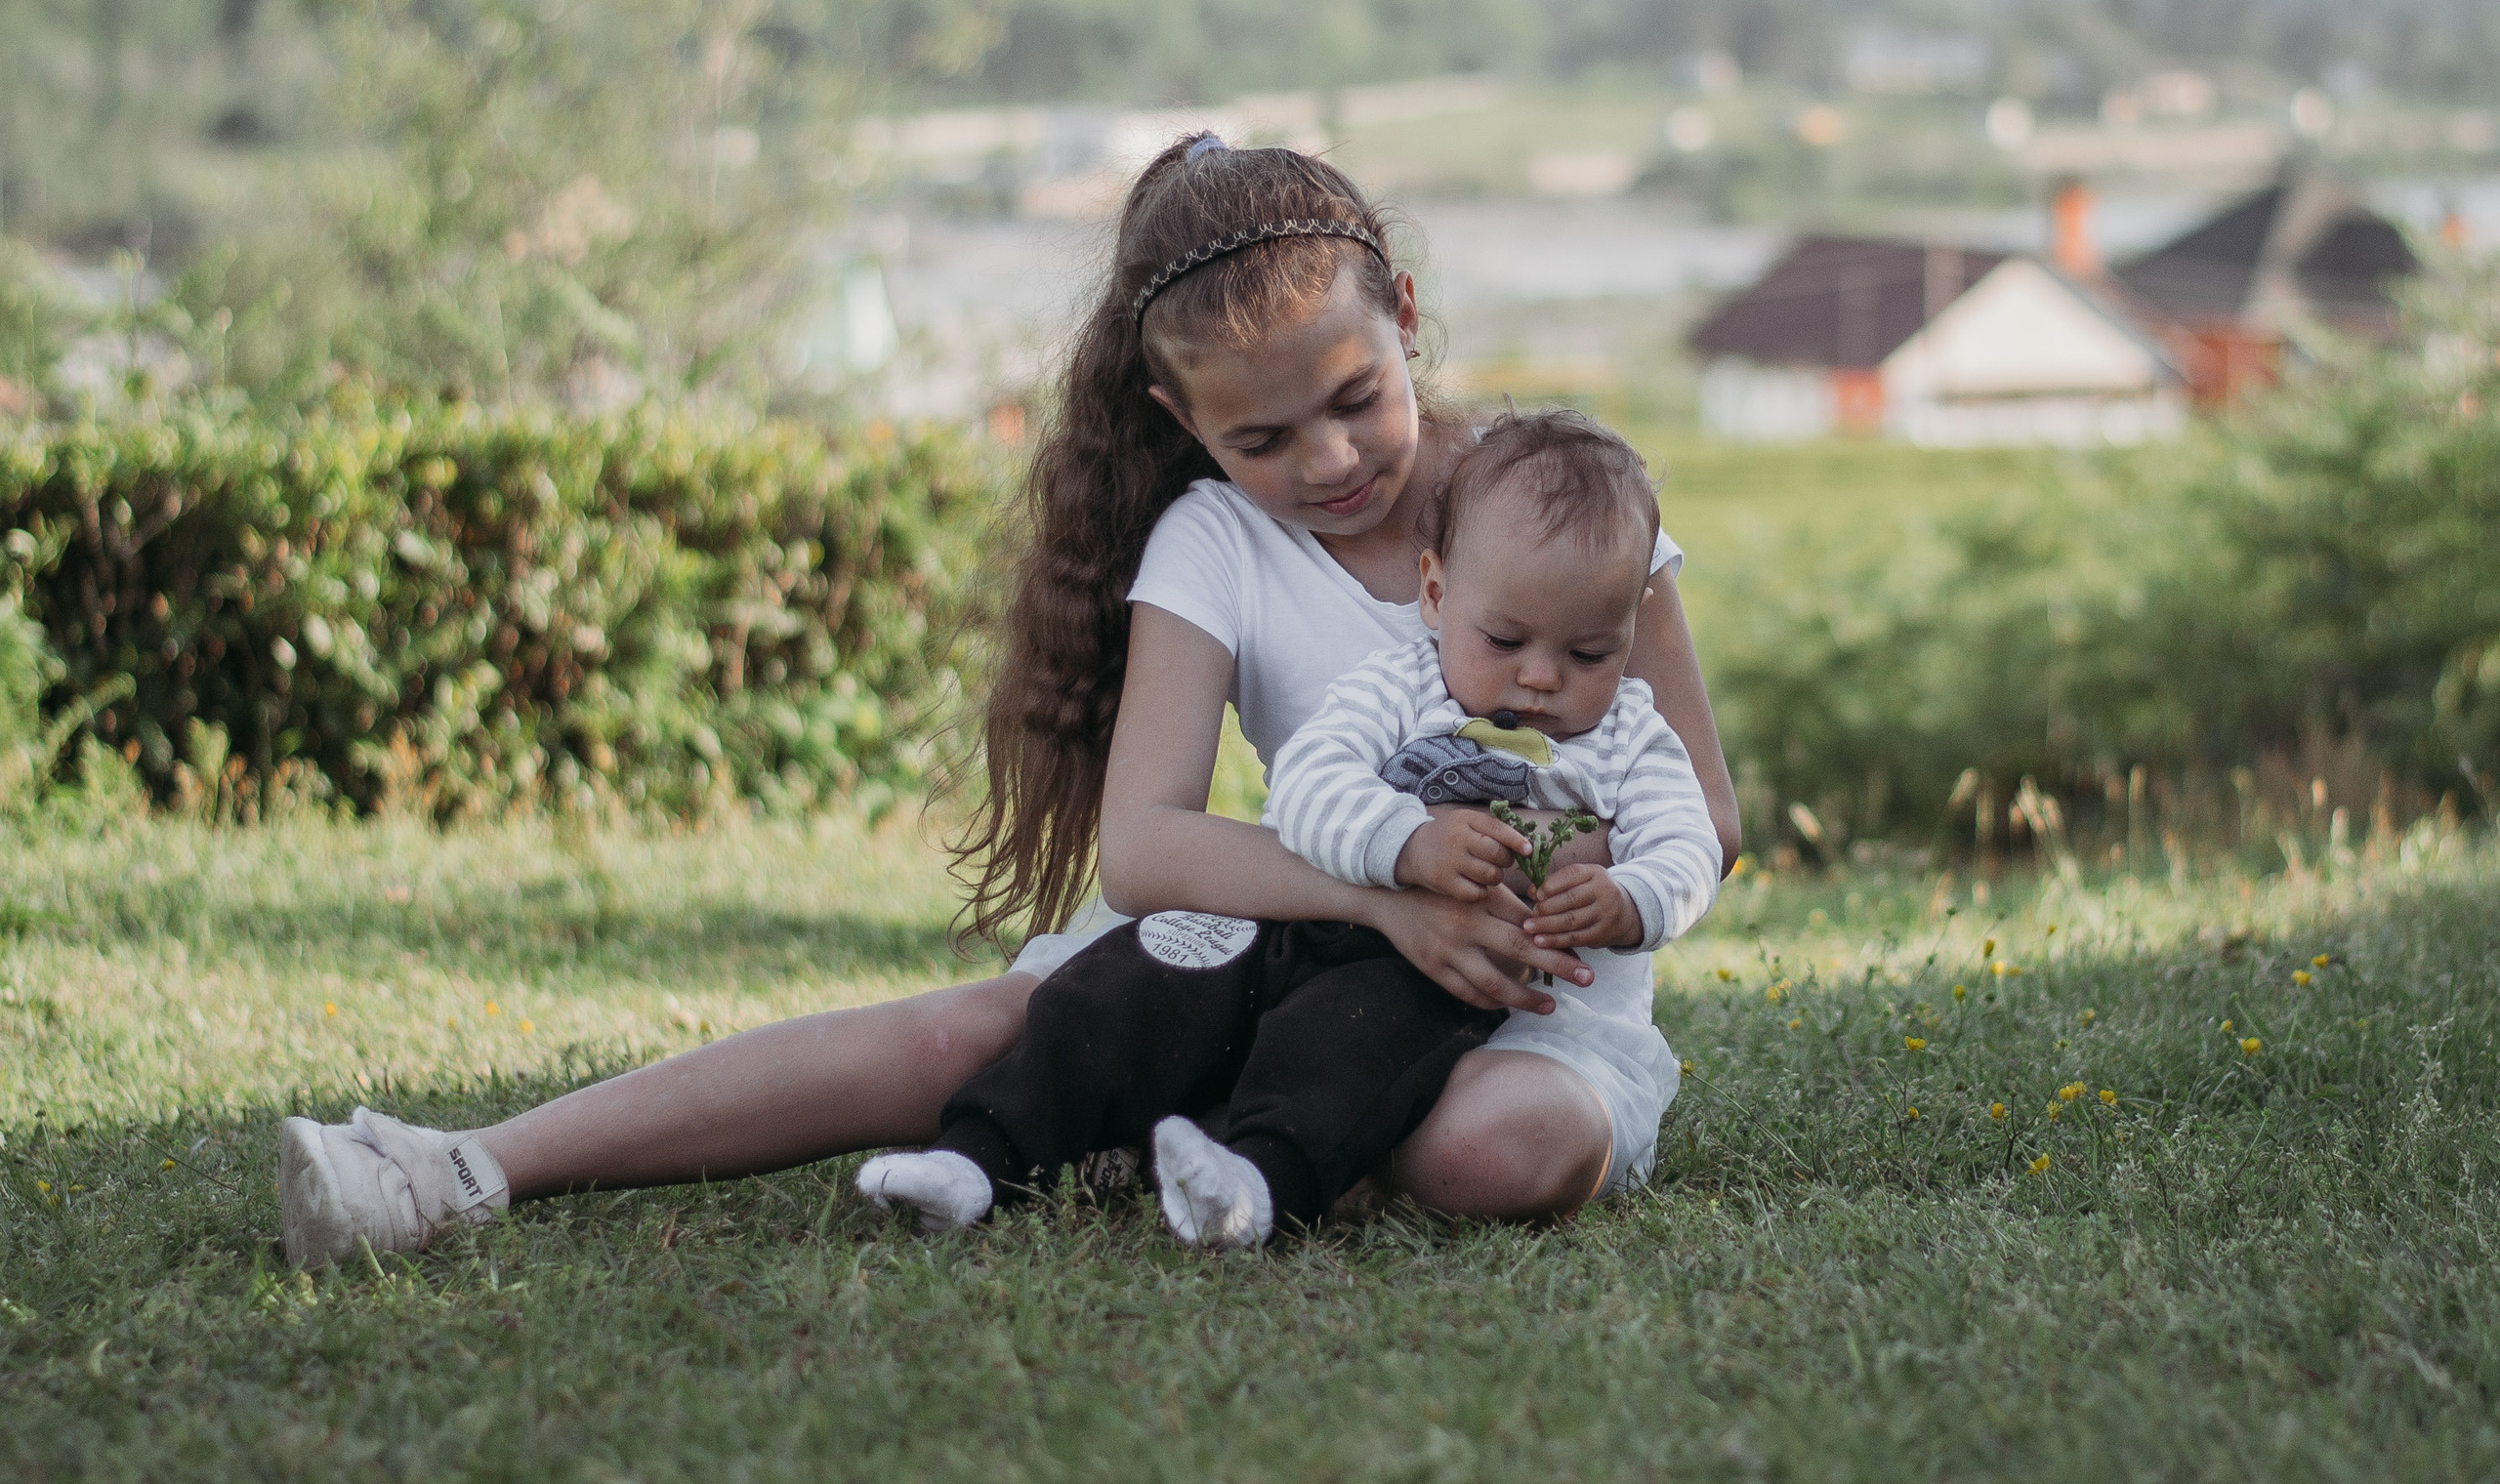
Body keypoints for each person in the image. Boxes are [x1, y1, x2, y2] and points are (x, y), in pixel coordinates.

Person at [273, 133, 1742, 1268]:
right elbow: (1149, 848)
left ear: (1405, 317)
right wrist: (1387, 897)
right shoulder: (1212, 542)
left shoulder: (1565, 512)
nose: (1331, 459)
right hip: (1297, 948)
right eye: (1261, 434)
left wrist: (1595, 879)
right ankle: (463, 1164)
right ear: (1180, 422)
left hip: (1531, 1003)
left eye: (1356, 396)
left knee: (1496, 1148)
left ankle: (1185, 1128)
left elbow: (1706, 808)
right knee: (952, 1036)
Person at [853, 410, 1721, 1249]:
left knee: (1355, 1038)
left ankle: (1256, 1181)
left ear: (1627, 635)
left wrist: (1633, 896)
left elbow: (1690, 841)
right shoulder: (1398, 687)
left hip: (1467, 1001)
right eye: (1504, 637)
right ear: (1435, 590)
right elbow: (1310, 782)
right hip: (1308, 935)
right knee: (1132, 975)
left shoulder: (1631, 737)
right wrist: (1407, 841)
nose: (1539, 677)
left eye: (1589, 655)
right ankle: (975, 1157)